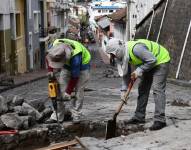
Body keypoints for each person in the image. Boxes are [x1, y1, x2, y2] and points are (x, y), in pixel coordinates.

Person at [105, 38, 171, 130]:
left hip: (160, 60)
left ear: (118, 50)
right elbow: (125, 74)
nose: (113, 57)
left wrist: (139, 70)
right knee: (142, 89)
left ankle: (160, 120)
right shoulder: (124, 55)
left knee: (157, 89)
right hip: (148, 63)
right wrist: (123, 91)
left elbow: (152, 60)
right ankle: (139, 117)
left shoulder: (135, 49)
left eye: (113, 54)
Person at [46, 38, 91, 123]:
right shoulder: (54, 45)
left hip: (82, 68)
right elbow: (49, 57)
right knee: (60, 90)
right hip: (67, 66)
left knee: (78, 92)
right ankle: (57, 116)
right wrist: (50, 70)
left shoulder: (76, 57)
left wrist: (68, 92)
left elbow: (75, 77)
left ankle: (76, 115)